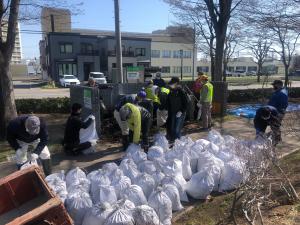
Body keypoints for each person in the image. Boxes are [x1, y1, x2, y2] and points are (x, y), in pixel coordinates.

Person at [166, 77, 188, 143]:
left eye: (172, 84)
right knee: (172, 128)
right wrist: (167, 110)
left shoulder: (181, 91)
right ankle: (173, 141)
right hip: (173, 112)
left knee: (177, 129)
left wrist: (181, 111)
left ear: (176, 84)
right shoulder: (171, 91)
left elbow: (186, 103)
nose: (171, 85)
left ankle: (178, 143)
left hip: (180, 113)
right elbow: (169, 102)